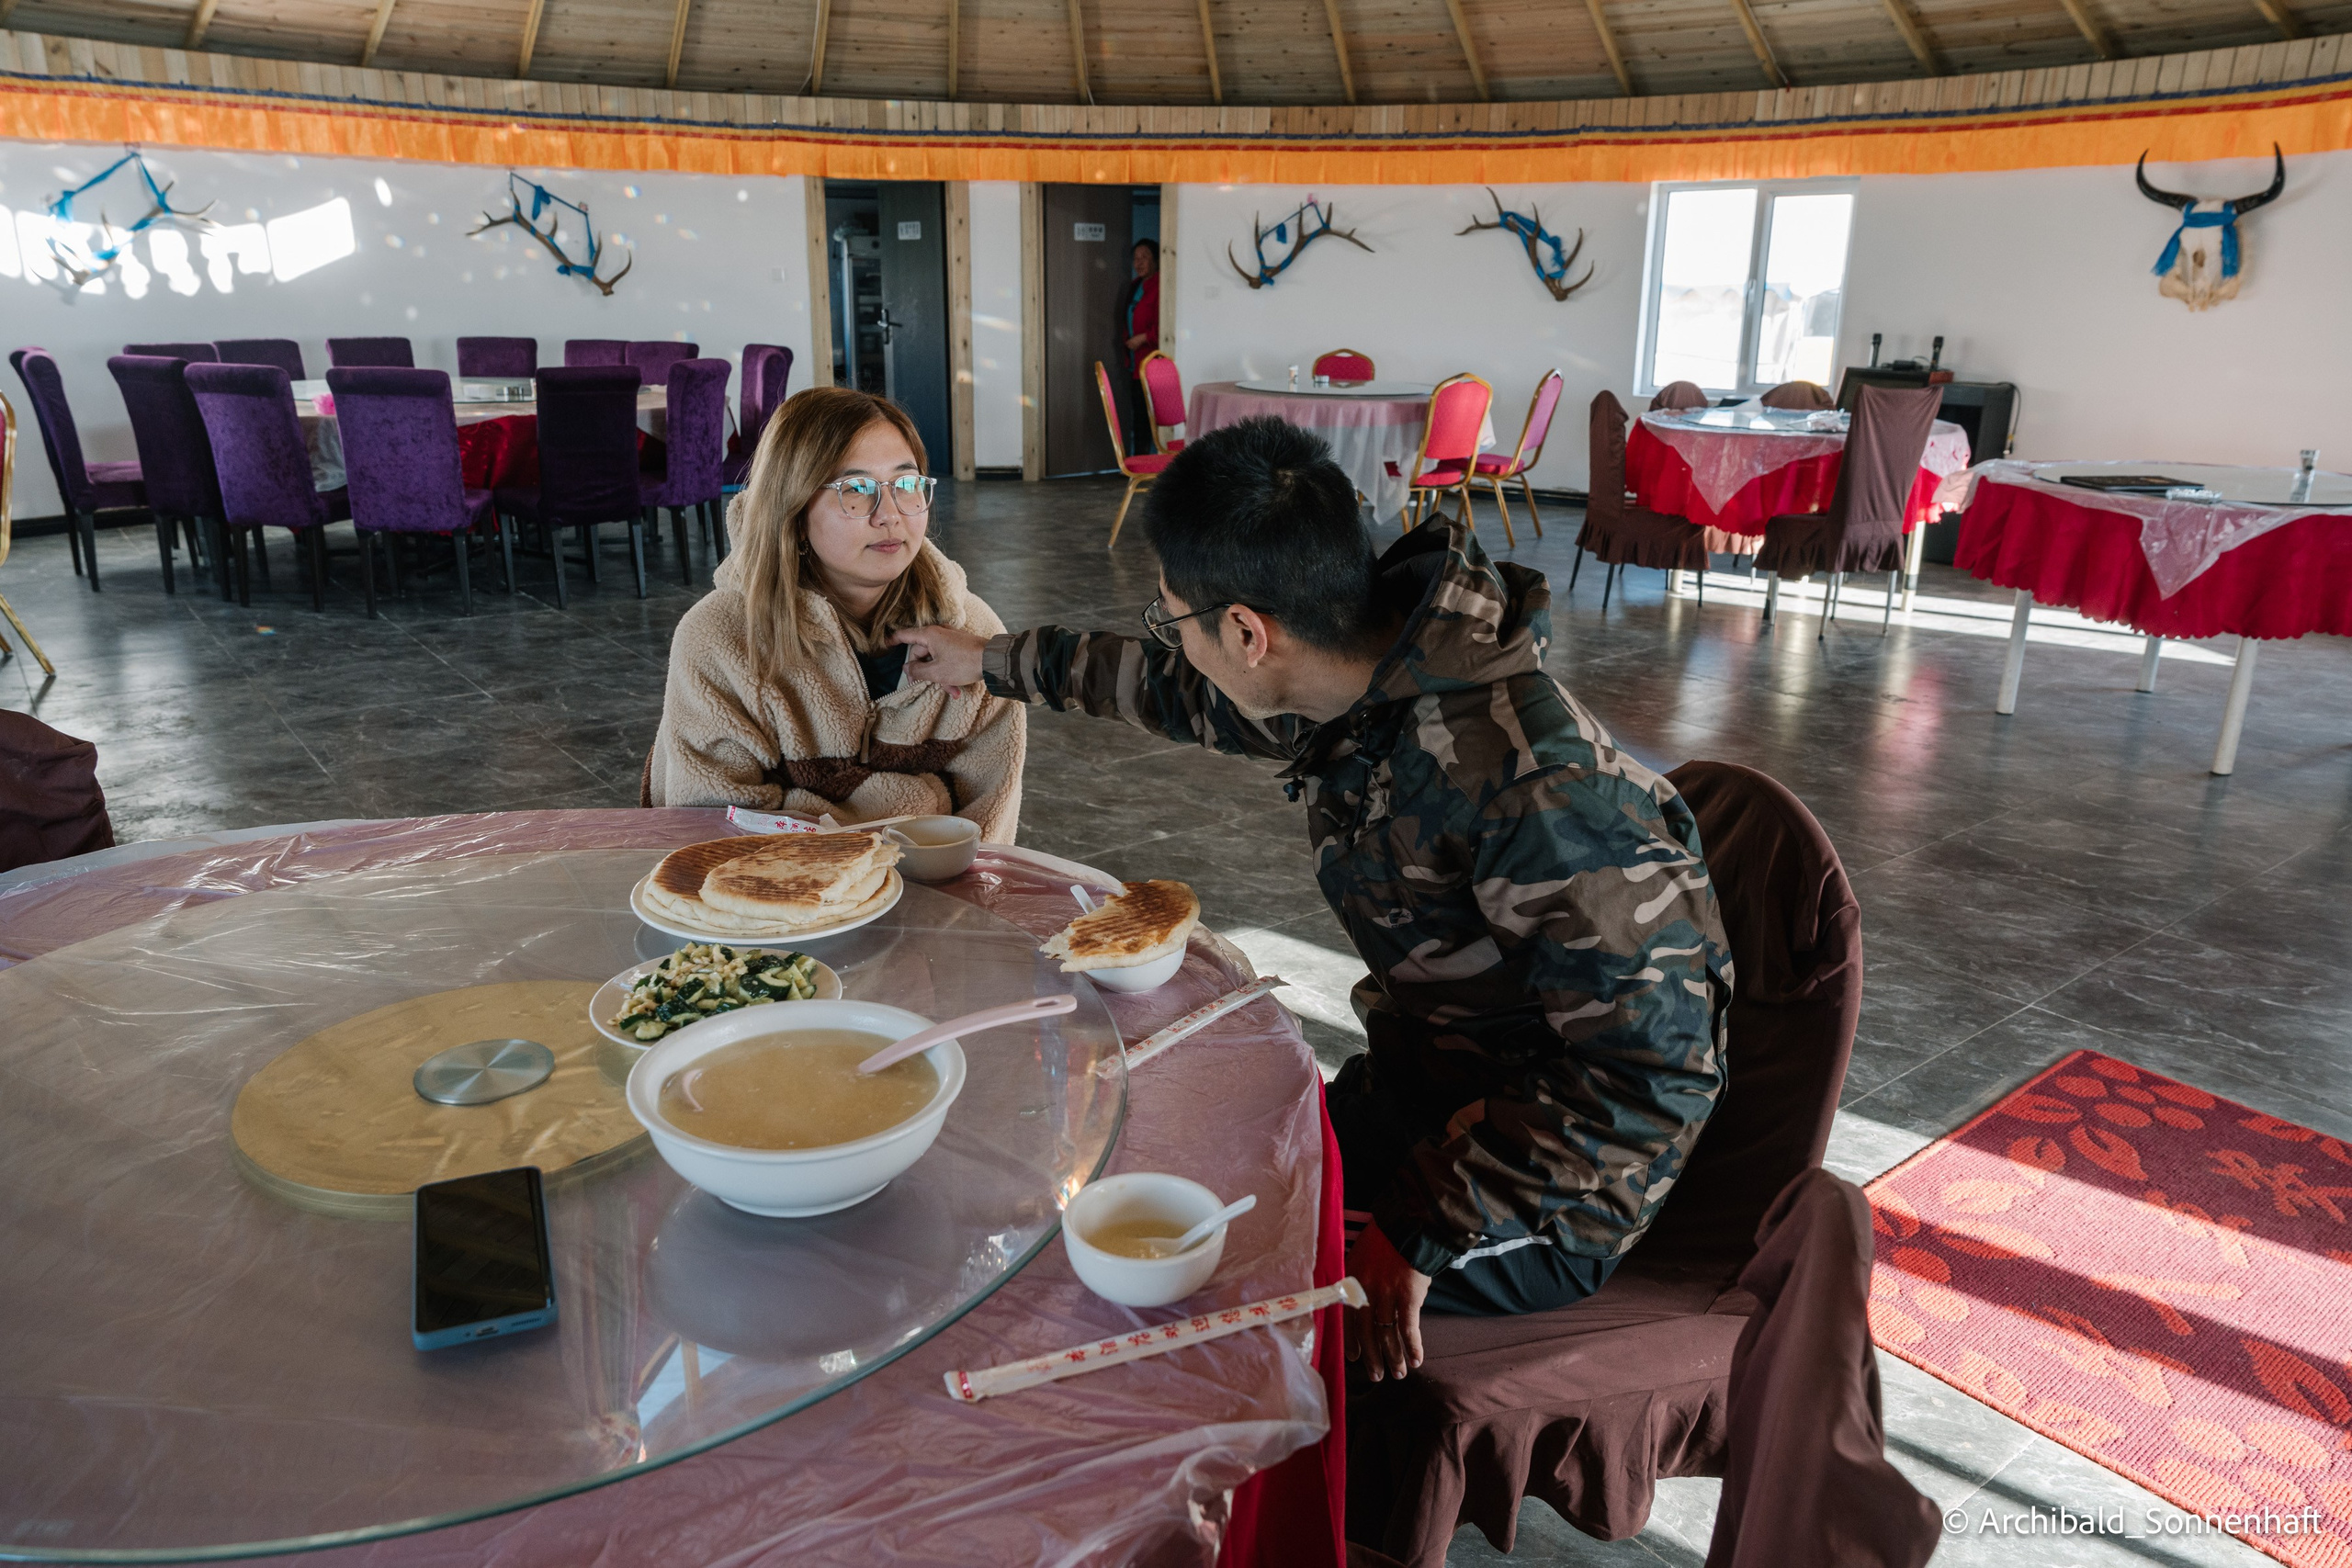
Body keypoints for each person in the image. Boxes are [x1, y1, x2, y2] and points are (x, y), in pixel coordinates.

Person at [894, 417, 1732, 1382]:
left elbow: (1651, 1077)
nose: (1172, 643)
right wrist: (989, 660)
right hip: (1427, 1091)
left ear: (1248, 633)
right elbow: (1180, 691)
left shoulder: (1538, 793)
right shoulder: (1368, 674)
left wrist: (1425, 1231)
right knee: (1176, 1157)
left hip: (1546, 1191)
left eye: (1175, 619)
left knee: (1191, 1288)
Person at [647, 386, 1026, 840]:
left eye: (906, 485)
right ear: (793, 507)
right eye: (856, 490)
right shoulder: (720, 639)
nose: (890, 515)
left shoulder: (976, 636)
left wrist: (806, 812)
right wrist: (919, 805)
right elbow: (717, 834)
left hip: (932, 905)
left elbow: (985, 839)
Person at [1115, 238, 1159, 456]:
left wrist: (1143, 338)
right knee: (1138, 414)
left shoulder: (1161, 285)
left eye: (1145, 258)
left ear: (1156, 260)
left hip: (1151, 364)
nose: (1139, 263)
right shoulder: (1135, 286)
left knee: (1146, 416)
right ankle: (1140, 459)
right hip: (1134, 364)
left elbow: (1164, 326)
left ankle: (1147, 462)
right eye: (1136, 258)